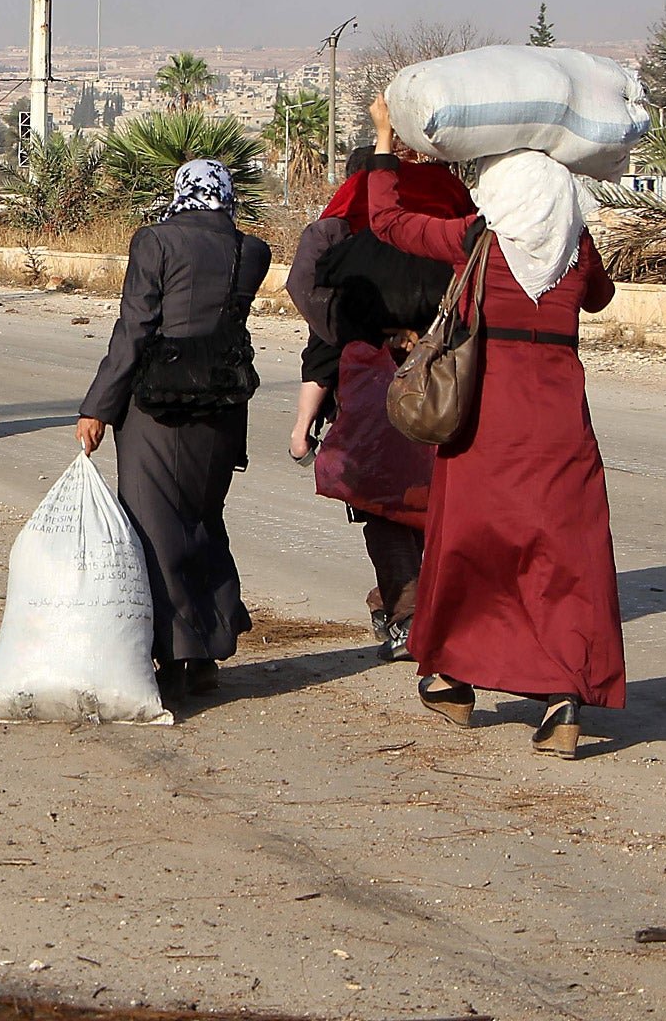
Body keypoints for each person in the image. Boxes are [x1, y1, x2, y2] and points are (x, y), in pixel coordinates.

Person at [366, 94, 621, 760]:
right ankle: (564, 698)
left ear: (501, 192)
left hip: (486, 419)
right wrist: (571, 241)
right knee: (562, 555)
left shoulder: (477, 241)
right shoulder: (575, 252)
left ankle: (452, 676)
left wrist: (386, 143)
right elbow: (600, 297)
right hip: (561, 421)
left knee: (473, 547)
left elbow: (388, 221)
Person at [76, 160, 270, 699]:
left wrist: (98, 407)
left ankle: (178, 653)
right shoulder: (251, 251)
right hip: (222, 407)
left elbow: (135, 328)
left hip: (158, 409)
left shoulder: (155, 242)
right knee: (203, 518)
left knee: (153, 525)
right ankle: (211, 643)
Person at [286, 147, 476, 661]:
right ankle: (431, 606)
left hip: (372, 380)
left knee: (385, 504)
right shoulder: (457, 221)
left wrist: (350, 340)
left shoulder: (342, 231)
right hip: (447, 376)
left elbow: (307, 291)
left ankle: (408, 611)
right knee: (442, 496)